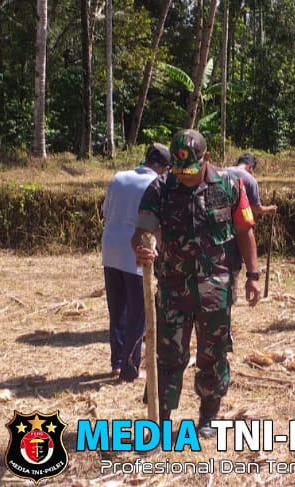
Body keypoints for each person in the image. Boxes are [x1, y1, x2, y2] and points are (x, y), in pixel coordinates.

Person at [131, 129, 261, 438]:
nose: (185, 178)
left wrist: (254, 276)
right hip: (174, 290)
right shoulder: (160, 188)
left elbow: (245, 232)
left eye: (191, 171)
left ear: (207, 160)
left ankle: (208, 416)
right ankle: (160, 419)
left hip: (216, 291)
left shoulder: (231, 186)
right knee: (167, 356)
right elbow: (141, 232)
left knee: (213, 355)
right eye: (179, 171)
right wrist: (141, 247)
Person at [100, 143, 170, 382]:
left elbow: (105, 211)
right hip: (137, 250)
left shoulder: (119, 177)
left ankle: (117, 363)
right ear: (165, 168)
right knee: (137, 313)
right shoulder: (158, 185)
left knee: (117, 308)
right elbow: (157, 222)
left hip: (110, 249)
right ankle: (130, 369)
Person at [225, 153, 278, 277]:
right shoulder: (249, 180)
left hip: (216, 228)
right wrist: (269, 209)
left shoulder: (222, 172)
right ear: (250, 167)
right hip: (237, 228)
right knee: (233, 265)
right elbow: (255, 208)